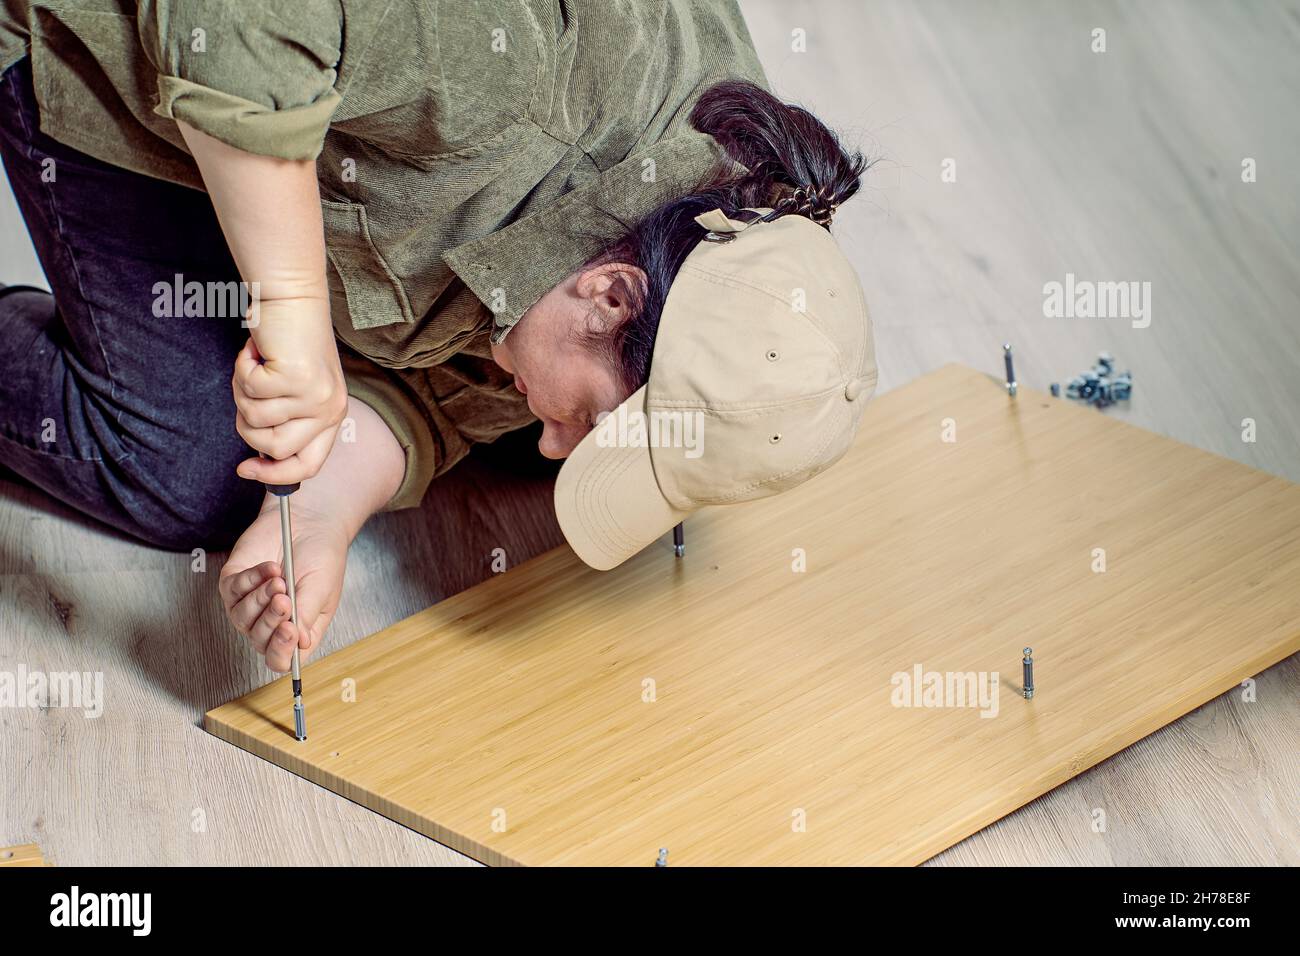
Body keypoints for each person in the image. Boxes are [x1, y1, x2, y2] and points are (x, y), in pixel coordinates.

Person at [0, 1, 876, 672]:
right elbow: (227, 24)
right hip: (136, 49)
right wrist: (294, 307)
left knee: (523, 456)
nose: (556, 437)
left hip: (338, 110)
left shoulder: (722, 222)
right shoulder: (503, 72)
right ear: (612, 294)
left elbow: (465, 388)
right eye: (589, 419)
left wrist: (324, 511)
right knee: (187, 471)